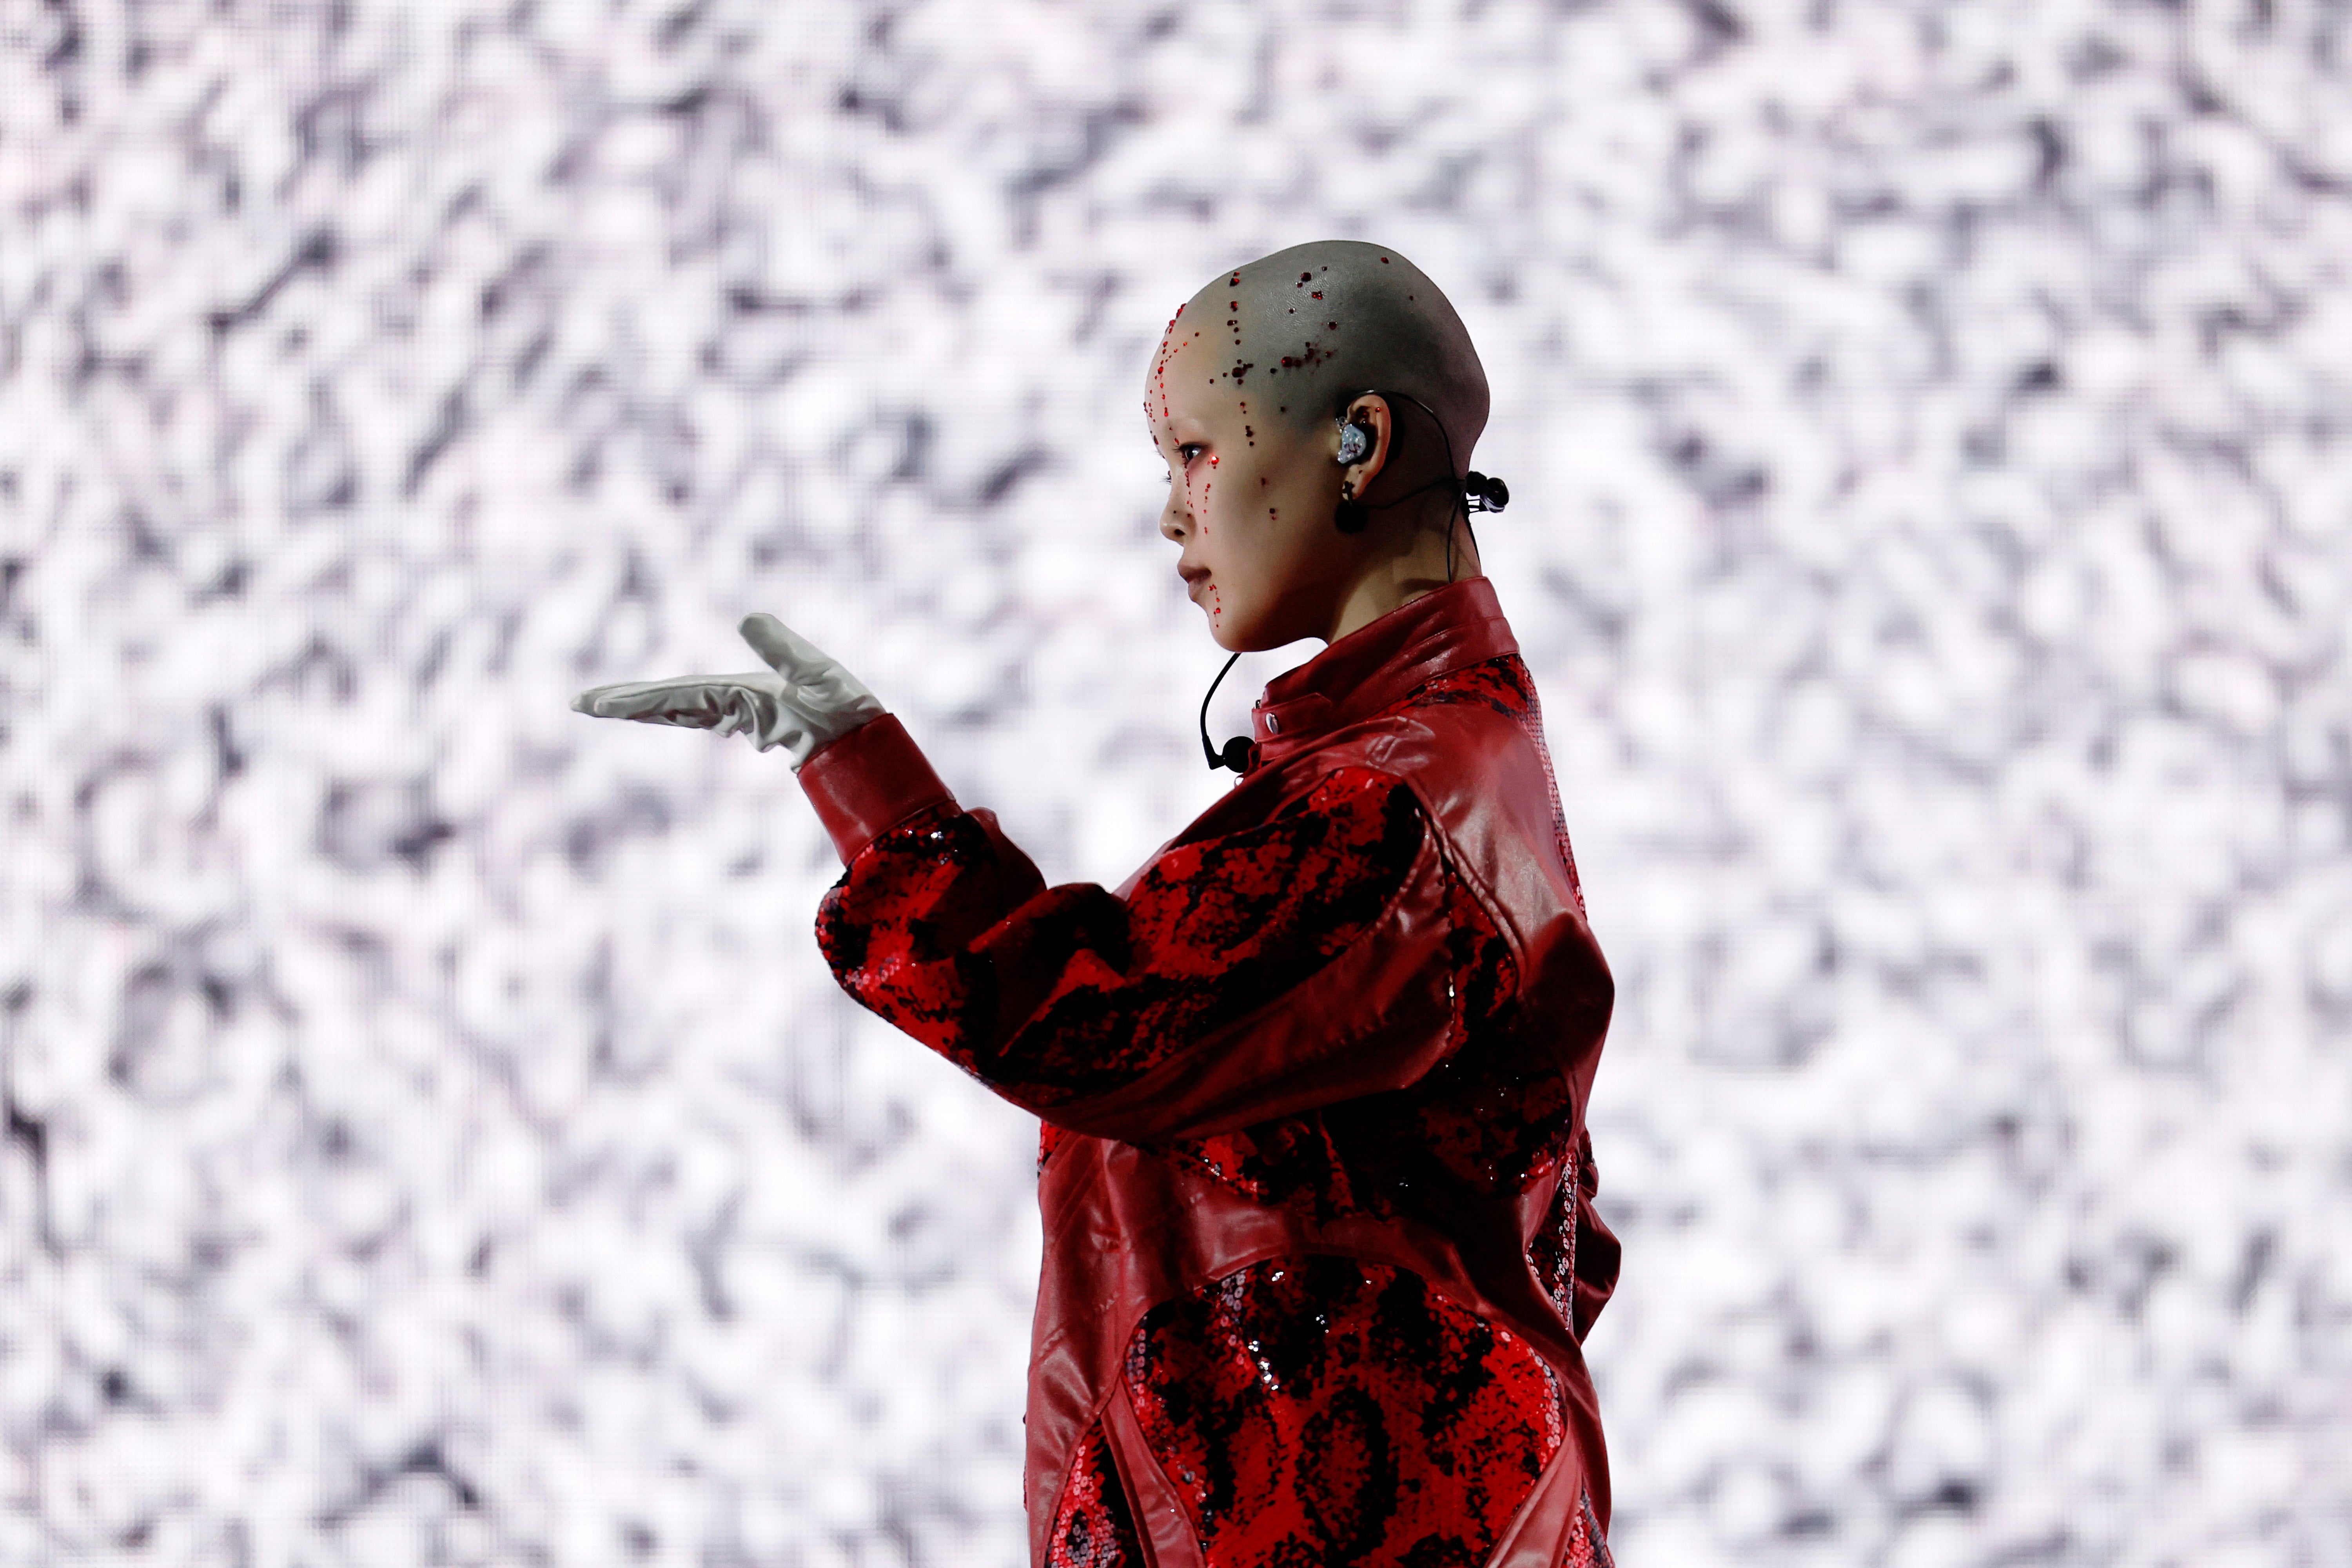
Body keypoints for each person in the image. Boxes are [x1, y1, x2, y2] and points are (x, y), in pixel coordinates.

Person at [576, 240, 1621, 1568]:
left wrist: (872, 798)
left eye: (1195, 453)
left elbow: (1090, 1024)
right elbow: (1550, 1234)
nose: (1173, 517)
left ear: (1358, 442)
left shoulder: (1397, 798)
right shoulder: (1439, 761)